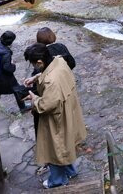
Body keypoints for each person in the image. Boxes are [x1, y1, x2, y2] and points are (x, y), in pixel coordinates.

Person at [26, 43, 87, 189]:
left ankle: (57, 181)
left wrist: (35, 99)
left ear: (40, 62)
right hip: (69, 110)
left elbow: (47, 104)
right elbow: (50, 72)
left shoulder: (51, 81)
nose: (33, 66)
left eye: (34, 64)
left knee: (56, 148)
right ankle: (71, 171)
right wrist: (36, 78)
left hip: (57, 118)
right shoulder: (59, 60)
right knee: (66, 142)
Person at [0, 31, 28, 113]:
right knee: (17, 90)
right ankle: (23, 108)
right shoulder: (6, 53)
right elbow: (7, 67)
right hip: (5, 78)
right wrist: (13, 65)